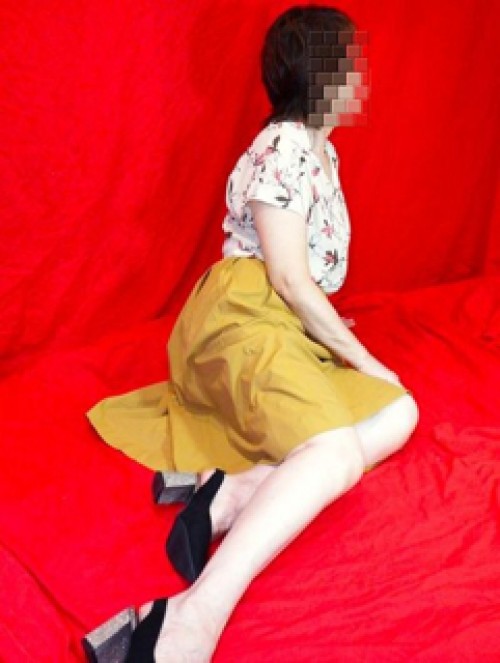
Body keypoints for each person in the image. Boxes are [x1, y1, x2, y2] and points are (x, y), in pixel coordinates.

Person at [82, 5, 419, 662]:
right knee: (336, 450)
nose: (363, 77)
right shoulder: (285, 146)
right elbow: (287, 279)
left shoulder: (322, 154)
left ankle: (235, 488)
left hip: (279, 322)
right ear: (323, 73)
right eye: (353, 63)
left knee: (399, 411)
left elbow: (297, 284)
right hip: (240, 317)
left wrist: (331, 338)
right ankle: (189, 615)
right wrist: (363, 356)